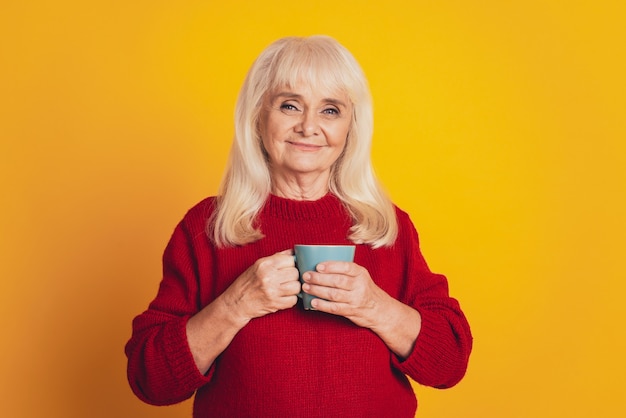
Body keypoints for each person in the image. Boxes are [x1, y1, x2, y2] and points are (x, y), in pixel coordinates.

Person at [125, 35, 472, 417]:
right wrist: (236, 305)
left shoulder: (384, 227)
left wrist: (374, 306)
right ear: (258, 115)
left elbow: (449, 363)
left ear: (350, 127)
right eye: (290, 106)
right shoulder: (208, 227)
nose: (309, 126)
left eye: (330, 110)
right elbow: (150, 380)